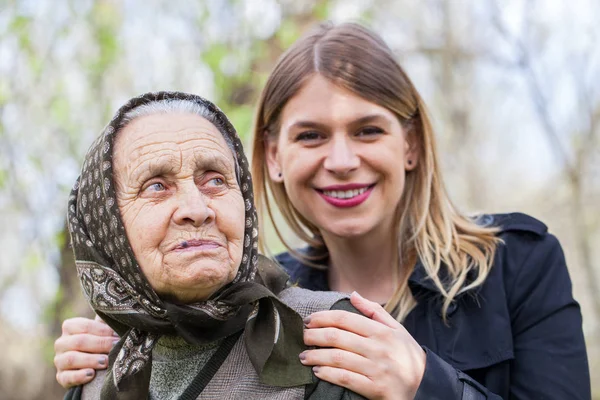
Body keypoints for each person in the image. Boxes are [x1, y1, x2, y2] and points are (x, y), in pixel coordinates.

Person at [54, 23, 590, 399]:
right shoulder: (266, 296)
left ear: (411, 146)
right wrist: (116, 347)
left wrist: (423, 384)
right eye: (310, 136)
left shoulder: (519, 264)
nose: (341, 160)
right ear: (273, 157)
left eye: (367, 130)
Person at [61, 90, 367, 399]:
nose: (197, 209)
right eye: (157, 186)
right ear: (105, 226)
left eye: (216, 180)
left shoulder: (330, 335)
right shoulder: (93, 366)